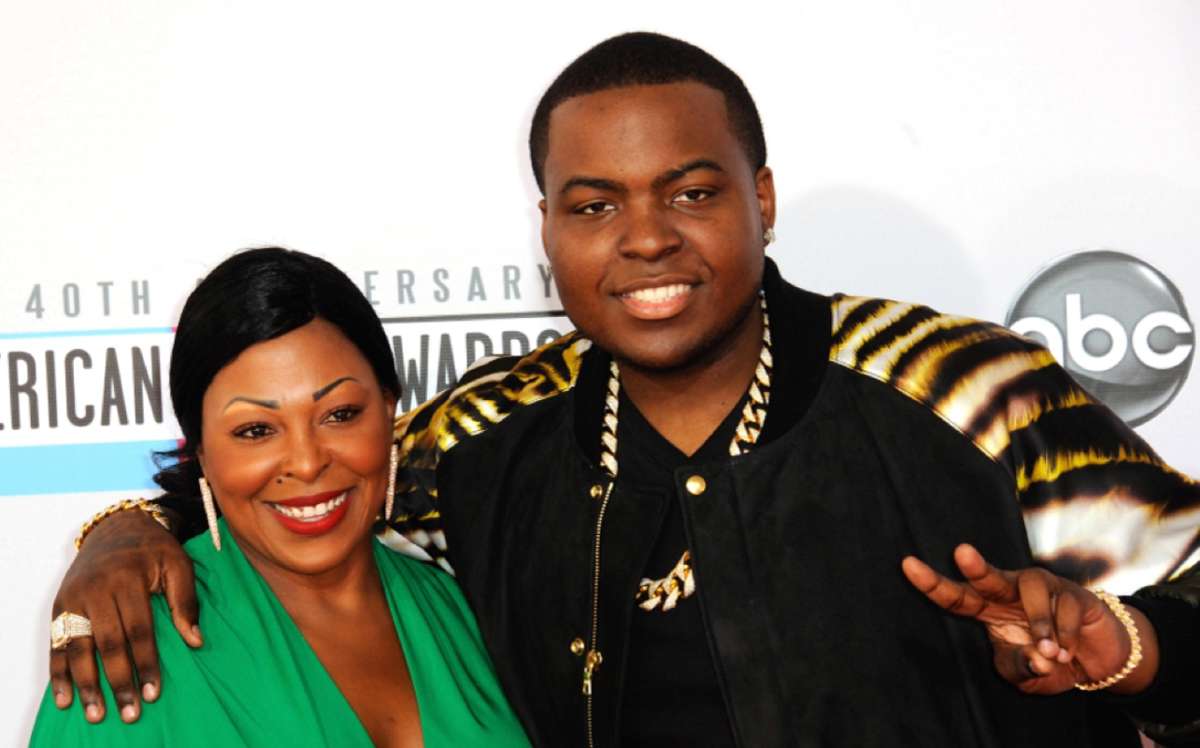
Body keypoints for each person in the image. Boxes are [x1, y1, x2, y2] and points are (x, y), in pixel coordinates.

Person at [45, 33, 1200, 747]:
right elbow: (302, 486)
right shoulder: (485, 439)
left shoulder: (965, 388)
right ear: (548, 228)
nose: (644, 239)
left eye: (690, 192)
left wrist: (1126, 644)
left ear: (762, 199)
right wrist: (123, 533)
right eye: (594, 205)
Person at [31, 248, 528, 746]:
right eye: (255, 430)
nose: (307, 462)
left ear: (388, 406)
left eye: (340, 414)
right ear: (201, 451)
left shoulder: (471, 610)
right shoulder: (126, 652)